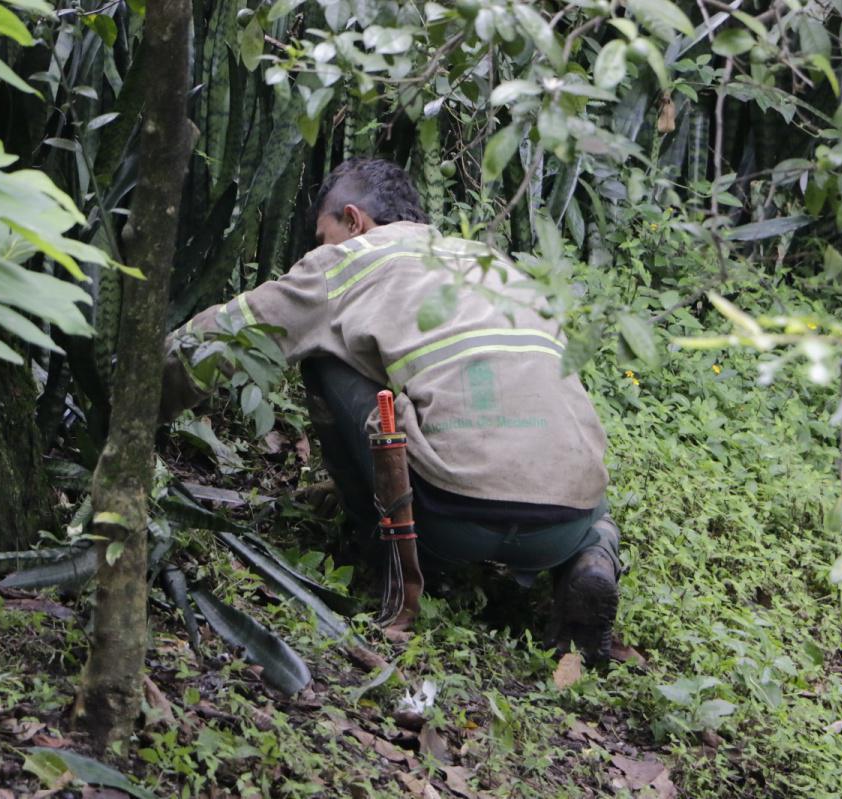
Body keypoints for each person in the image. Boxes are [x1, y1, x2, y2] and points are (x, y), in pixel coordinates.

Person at [161, 158, 621, 661]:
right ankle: (592, 556)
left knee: (322, 356)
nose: (320, 248)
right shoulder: (491, 262)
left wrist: (135, 398)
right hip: (567, 517)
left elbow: (222, 339)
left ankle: (382, 540)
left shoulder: (348, 260)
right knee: (562, 440)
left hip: (447, 517)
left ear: (354, 221)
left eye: (322, 235)